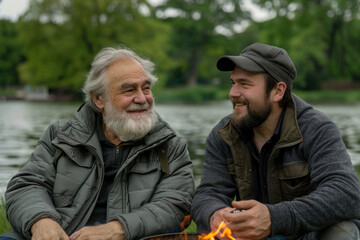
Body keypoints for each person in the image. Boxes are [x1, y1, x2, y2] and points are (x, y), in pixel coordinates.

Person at [1, 46, 194, 240]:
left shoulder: (170, 146)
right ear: (99, 99)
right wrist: (42, 221)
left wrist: (118, 229)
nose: (142, 98)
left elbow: (174, 205)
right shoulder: (60, 135)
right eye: (129, 90)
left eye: (146, 88)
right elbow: (26, 185)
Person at [191, 42, 360, 239]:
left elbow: (345, 193)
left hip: (307, 235)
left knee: (341, 230)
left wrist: (274, 218)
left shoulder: (317, 128)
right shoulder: (224, 134)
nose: (233, 93)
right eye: (233, 83)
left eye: (244, 84)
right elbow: (208, 193)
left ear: (278, 91)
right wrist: (215, 214)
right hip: (252, 236)